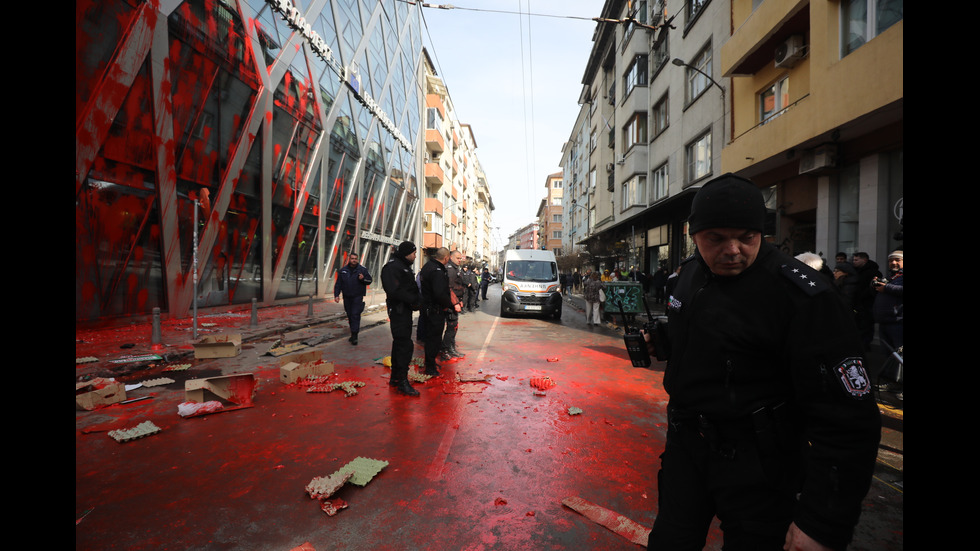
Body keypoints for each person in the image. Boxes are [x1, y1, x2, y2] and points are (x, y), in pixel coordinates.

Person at [645, 173, 881, 551]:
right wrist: (665, 342)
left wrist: (822, 523)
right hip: (686, 450)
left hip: (759, 467)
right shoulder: (690, 274)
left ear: (762, 233)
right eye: (716, 238)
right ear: (694, 235)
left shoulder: (804, 297)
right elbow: (711, 340)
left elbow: (847, 419)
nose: (733, 249)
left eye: (746, 237)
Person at [380, 241, 421, 396]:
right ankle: (402, 381)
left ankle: (396, 378)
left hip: (404, 310)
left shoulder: (402, 266)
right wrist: (413, 300)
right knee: (404, 345)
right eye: (414, 253)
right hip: (399, 310)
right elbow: (394, 290)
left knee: (399, 344)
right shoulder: (392, 267)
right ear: (406, 253)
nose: (415, 256)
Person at [419, 247, 461, 376]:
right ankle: (430, 367)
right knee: (434, 339)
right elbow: (440, 293)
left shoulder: (428, 266)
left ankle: (430, 363)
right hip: (435, 309)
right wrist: (449, 304)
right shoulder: (437, 270)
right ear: (446, 258)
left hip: (428, 307)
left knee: (431, 338)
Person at [333, 252, 373, 345]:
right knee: (350, 315)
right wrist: (336, 295)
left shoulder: (362, 270)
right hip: (347, 297)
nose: (354, 260)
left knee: (355, 315)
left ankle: (355, 336)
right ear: (349, 259)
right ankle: (353, 333)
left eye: (355, 258)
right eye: (352, 258)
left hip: (357, 297)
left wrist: (363, 279)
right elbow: (338, 284)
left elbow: (369, 280)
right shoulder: (343, 270)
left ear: (357, 259)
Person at [873, 250, 903, 351]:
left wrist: (886, 288)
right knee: (889, 355)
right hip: (885, 321)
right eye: (891, 261)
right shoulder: (890, 277)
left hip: (898, 322)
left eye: (897, 260)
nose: (893, 263)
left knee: (899, 355)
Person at [441, 250, 465, 360]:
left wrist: (459, 300)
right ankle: (446, 349)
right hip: (450, 303)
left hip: (455, 301)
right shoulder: (450, 269)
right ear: (451, 257)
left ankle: (451, 348)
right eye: (458, 258)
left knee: (454, 326)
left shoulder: (455, 268)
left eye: (460, 258)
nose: (460, 260)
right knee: (451, 326)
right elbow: (449, 288)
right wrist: (455, 303)